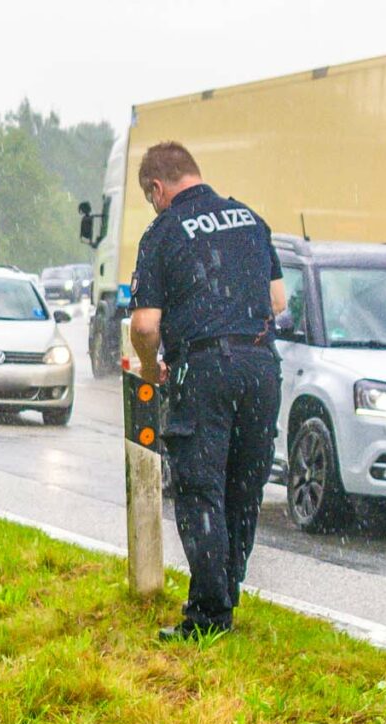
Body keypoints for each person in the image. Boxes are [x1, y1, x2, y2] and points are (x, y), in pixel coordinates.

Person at [127, 142, 286, 641]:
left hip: (204, 368)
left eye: (151, 196)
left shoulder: (163, 232)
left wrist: (153, 369)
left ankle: (209, 616)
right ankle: (227, 593)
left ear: (157, 188)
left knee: (200, 491)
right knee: (243, 486)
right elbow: (277, 301)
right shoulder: (250, 219)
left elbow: (146, 324)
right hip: (261, 366)